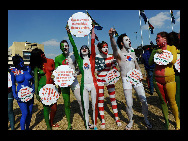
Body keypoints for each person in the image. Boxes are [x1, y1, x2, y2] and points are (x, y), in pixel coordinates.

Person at [109, 28, 152, 130]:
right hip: (126, 80)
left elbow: (136, 65)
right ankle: (130, 121)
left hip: (136, 78)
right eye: (127, 40)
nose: (129, 41)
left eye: (129, 39)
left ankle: (146, 119)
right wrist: (111, 37)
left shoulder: (132, 52)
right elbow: (114, 47)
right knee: (129, 103)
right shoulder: (118, 53)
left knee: (144, 100)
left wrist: (140, 74)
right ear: (122, 43)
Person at [66, 26, 98, 130]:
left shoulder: (92, 58)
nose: (84, 49)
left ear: (88, 51)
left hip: (93, 84)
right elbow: (74, 46)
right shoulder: (79, 60)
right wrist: (69, 34)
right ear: (80, 51)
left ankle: (95, 124)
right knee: (85, 107)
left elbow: (92, 43)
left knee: (94, 105)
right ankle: (87, 125)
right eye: (82, 48)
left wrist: (92, 29)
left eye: (86, 48)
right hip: (84, 85)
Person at [149, 32, 180, 130]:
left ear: (165, 39)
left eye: (158, 38)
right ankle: (166, 122)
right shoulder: (155, 50)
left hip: (169, 79)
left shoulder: (172, 48)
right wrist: (155, 52)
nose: (156, 40)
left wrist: (163, 54)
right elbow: (150, 62)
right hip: (157, 80)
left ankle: (177, 121)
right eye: (156, 38)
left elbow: (173, 60)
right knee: (163, 102)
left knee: (172, 101)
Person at [55, 37, 83, 130]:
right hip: (64, 83)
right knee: (66, 103)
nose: (65, 48)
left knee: (80, 99)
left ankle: (85, 119)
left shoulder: (73, 55)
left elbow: (79, 66)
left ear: (69, 47)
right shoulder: (58, 58)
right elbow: (56, 72)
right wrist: (58, 84)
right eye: (63, 46)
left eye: (66, 46)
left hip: (74, 81)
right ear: (60, 48)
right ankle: (69, 124)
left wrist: (77, 72)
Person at [95, 41, 121, 129]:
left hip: (109, 80)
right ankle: (103, 120)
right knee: (101, 99)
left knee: (113, 98)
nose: (106, 48)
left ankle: (117, 118)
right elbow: (96, 69)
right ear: (99, 49)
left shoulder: (111, 57)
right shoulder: (97, 57)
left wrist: (115, 72)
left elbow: (114, 67)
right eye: (104, 47)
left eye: (107, 47)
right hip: (100, 80)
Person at [30, 48, 58, 130]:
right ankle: (48, 127)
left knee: (54, 108)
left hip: (52, 87)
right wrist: (36, 93)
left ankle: (51, 122)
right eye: (40, 54)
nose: (42, 54)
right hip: (42, 88)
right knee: (46, 108)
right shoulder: (36, 66)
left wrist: (59, 85)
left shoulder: (51, 61)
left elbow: (56, 73)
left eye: (42, 52)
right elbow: (36, 80)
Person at [10, 55, 34, 130]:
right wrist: (14, 93)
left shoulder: (28, 68)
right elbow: (13, 84)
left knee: (30, 113)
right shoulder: (13, 71)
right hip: (20, 95)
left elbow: (33, 81)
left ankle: (27, 128)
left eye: (22, 60)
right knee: (25, 113)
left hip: (30, 94)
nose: (22, 62)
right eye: (20, 62)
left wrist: (33, 89)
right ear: (16, 63)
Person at [167, 31, 180, 115]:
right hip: (175, 71)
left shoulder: (169, 49)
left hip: (174, 72)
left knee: (177, 91)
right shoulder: (174, 48)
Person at [8, 65, 15, 130]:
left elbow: (13, 83)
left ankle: (12, 127)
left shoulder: (11, 71)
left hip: (9, 92)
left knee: (10, 110)